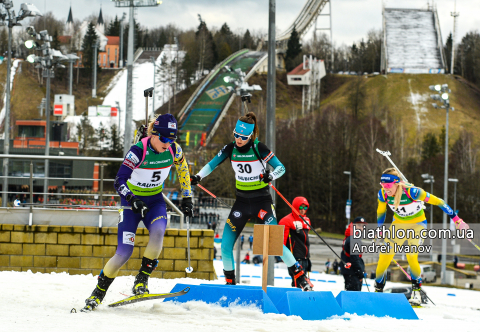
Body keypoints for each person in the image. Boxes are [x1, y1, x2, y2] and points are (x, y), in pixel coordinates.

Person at [81, 114, 194, 312]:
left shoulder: (174, 150)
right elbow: (119, 181)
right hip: (130, 204)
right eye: (164, 139)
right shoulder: (138, 151)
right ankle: (98, 293)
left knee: (158, 232)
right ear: (154, 134)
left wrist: (187, 197)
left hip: (155, 202)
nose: (168, 144)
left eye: (172, 139)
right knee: (124, 253)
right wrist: (133, 199)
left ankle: (141, 279)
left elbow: (184, 170)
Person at [190, 112, 313, 291]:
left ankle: (300, 277)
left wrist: (270, 175)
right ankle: (230, 283)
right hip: (241, 202)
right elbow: (212, 163)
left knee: (276, 245)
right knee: (225, 246)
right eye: (236, 135)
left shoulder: (259, 148)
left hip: (261, 201)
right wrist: (198, 176)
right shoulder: (230, 148)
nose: (239, 140)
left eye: (243, 137)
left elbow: (281, 168)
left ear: (251, 135)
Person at [375, 168, 468, 306]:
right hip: (399, 225)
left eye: (388, 185)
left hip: (417, 225)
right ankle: (378, 292)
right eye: (382, 185)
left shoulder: (413, 192)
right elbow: (381, 211)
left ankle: (416, 292)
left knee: (411, 255)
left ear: (397, 183)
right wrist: (380, 228)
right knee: (383, 258)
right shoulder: (383, 194)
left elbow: (440, 202)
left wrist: (457, 220)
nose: (385, 188)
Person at [279, 196, 312, 287]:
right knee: (298, 283)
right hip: (295, 258)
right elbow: (281, 242)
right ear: (295, 206)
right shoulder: (286, 220)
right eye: (301, 207)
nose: (303, 210)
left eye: (305, 207)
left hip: (305, 257)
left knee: (305, 283)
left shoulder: (307, 220)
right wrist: (283, 256)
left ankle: (302, 299)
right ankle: (297, 298)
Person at [340, 217, 367, 291]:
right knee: (354, 297)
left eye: (363, 226)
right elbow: (355, 259)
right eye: (359, 225)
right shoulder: (354, 239)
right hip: (352, 273)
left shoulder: (350, 236)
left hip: (349, 271)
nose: (361, 228)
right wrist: (360, 274)